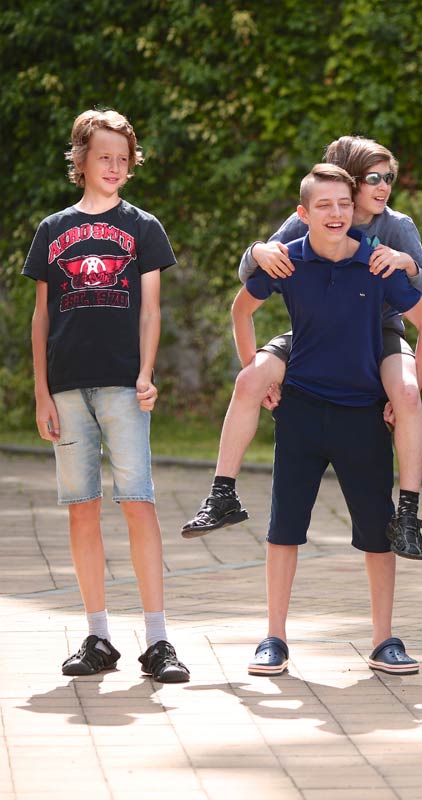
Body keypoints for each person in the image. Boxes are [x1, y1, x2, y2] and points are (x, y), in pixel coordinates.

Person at [182, 136, 422, 561]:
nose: (383, 187)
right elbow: (256, 269)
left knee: (408, 394)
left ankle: (408, 515)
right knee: (249, 380)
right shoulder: (313, 213)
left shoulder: (397, 225)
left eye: (388, 177)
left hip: (380, 330)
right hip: (316, 331)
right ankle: (222, 494)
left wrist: (407, 264)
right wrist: (257, 250)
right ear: (348, 181)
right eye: (373, 178)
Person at [233, 164, 422, 676]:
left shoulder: (378, 258)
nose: (337, 212)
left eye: (344, 204)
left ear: (356, 208)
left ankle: (384, 640)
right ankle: (274, 638)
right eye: (325, 205)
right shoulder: (291, 257)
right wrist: (260, 376)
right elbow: (242, 306)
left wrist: (409, 390)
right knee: (284, 529)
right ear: (304, 213)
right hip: (301, 408)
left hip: (362, 411)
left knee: (377, 532)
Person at [24, 109, 190, 683]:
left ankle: (159, 641)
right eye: (104, 157)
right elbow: (42, 317)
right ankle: (98, 637)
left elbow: (151, 310)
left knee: (138, 503)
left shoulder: (144, 227)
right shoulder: (53, 229)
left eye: (123, 158)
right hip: (67, 388)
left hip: (123, 386)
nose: (114, 167)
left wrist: (146, 372)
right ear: (81, 160)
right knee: (82, 509)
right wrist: (42, 392)